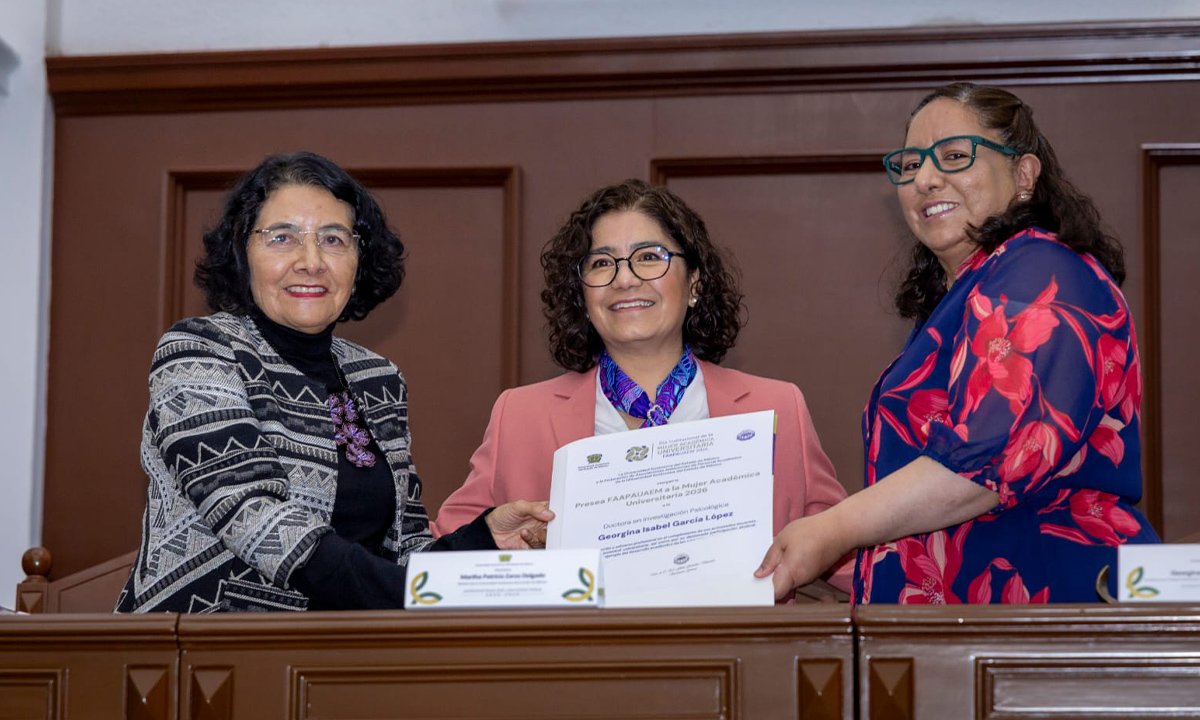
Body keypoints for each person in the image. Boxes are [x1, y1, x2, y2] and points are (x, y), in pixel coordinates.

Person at [757, 82, 1160, 604]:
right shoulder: (980, 289)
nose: (924, 179)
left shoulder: (1041, 272)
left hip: (1048, 612)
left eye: (953, 156)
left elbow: (981, 465)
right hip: (978, 628)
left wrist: (830, 532)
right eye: (908, 164)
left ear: (1023, 174)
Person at [116, 151, 552, 613]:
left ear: (359, 259)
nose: (311, 261)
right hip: (206, 653)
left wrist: (484, 539)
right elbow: (253, 518)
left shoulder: (378, 379)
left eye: (333, 239)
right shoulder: (198, 349)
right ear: (242, 253)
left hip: (341, 659)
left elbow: (405, 550)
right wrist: (411, 596)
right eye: (282, 237)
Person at [432, 179, 851, 593]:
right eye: (601, 263)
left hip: (739, 652)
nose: (625, 279)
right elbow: (437, 556)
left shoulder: (779, 407)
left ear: (694, 283)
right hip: (577, 657)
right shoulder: (519, 416)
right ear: (582, 295)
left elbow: (847, 553)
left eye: (649, 257)